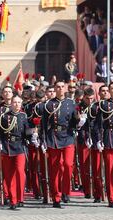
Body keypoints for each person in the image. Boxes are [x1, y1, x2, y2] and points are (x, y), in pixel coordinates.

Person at [41, 80, 80, 208]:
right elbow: (44, 124)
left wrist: (79, 121)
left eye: (62, 87)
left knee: (68, 165)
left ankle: (65, 191)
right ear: (55, 89)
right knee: (54, 169)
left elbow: (74, 121)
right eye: (58, 87)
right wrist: (43, 140)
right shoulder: (49, 104)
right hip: (54, 137)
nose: (60, 89)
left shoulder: (71, 103)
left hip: (68, 136)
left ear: (66, 88)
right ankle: (56, 197)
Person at [0, 95, 28, 210]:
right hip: (7, 147)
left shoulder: (23, 116)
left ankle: (20, 198)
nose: (16, 104)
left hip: (20, 147)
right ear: (11, 104)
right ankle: (13, 200)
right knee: (9, 175)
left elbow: (26, 132)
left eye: (18, 102)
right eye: (14, 102)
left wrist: (33, 135)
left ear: (21, 104)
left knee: (20, 172)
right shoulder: (4, 116)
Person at [76, 88, 95, 198]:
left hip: (95, 139)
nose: (90, 101)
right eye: (88, 99)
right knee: (84, 166)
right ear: (84, 97)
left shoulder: (97, 106)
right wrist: (79, 123)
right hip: (83, 139)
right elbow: (74, 121)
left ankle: (97, 188)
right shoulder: (79, 107)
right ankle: (87, 189)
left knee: (96, 166)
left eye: (92, 98)